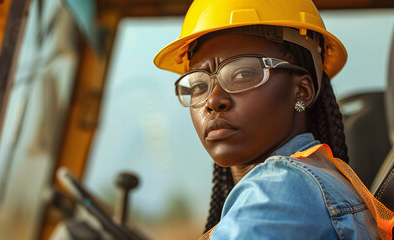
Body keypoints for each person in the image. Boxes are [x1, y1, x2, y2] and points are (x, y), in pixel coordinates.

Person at [153, 0, 394, 239]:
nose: (213, 100)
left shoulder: (278, 189)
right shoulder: (305, 181)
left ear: (302, 91)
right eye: (198, 85)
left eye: (242, 73)